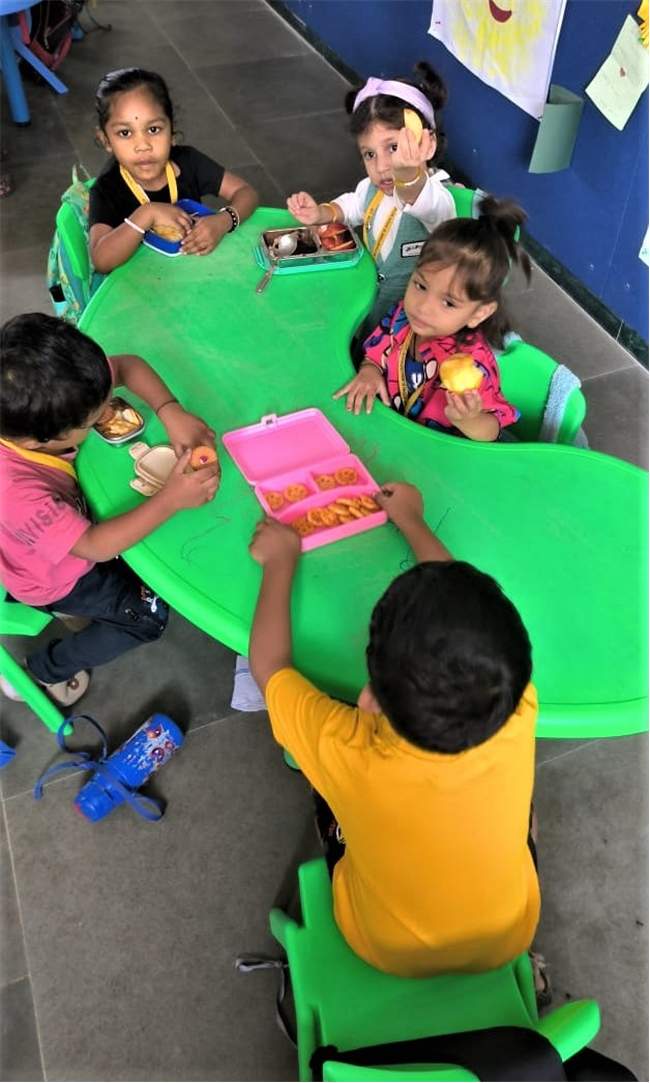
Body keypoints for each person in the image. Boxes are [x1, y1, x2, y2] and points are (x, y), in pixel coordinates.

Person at [247, 481, 540, 979]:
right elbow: (460, 611)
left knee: (330, 788)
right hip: (510, 935)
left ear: (368, 699)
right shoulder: (519, 704)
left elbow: (269, 667)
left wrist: (280, 562)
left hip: (382, 947)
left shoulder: (347, 745)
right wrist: (412, 521)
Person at [0, 313, 220, 707]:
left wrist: (171, 411)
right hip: (54, 576)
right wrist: (171, 498)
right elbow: (94, 546)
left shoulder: (50, 389)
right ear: (37, 441)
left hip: (55, 534)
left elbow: (128, 366)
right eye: (91, 421)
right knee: (146, 615)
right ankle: (43, 671)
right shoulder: (16, 490)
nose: (103, 415)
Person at [334, 194, 530, 442]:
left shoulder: (474, 362)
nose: (423, 307)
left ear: (479, 313)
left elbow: (492, 430)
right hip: (394, 435)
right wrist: (369, 372)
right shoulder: (400, 316)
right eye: (420, 285)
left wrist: (468, 419)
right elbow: (375, 355)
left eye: (448, 302)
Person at [287, 62, 456, 342]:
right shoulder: (373, 188)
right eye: (369, 154)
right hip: (366, 304)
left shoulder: (437, 198)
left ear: (428, 144)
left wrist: (407, 174)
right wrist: (322, 212)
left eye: (393, 148)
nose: (382, 166)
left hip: (406, 331)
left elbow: (420, 198)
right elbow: (354, 204)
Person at [89, 68, 259, 273]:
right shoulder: (107, 189)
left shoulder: (189, 161)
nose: (143, 145)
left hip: (195, 275)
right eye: (125, 133)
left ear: (171, 131)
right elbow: (101, 260)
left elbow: (246, 193)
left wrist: (223, 221)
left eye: (153, 129)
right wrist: (147, 213)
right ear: (106, 140)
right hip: (141, 289)